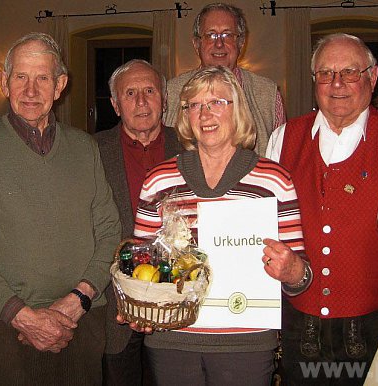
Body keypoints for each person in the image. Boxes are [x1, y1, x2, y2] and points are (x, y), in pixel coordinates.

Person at [0, 32, 121, 385]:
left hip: (82, 323)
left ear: (60, 85)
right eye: (20, 77)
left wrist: (77, 300)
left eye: (42, 78)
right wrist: (22, 316)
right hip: (4, 327)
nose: (31, 90)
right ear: (3, 82)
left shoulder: (84, 148)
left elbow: (109, 232)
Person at [129, 66, 310, 386]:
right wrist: (139, 304)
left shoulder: (274, 180)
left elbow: (301, 276)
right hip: (172, 340)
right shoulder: (158, 180)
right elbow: (140, 262)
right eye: (194, 105)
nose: (204, 113)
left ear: (238, 109)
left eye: (216, 102)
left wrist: (291, 268)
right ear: (184, 116)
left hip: (246, 342)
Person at [266, 33, 378, 385]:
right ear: (314, 81)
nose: (336, 84)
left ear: (373, 77)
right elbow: (266, 225)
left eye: (350, 72)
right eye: (325, 73)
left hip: (374, 327)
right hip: (299, 324)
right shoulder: (282, 139)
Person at [95, 59, 182, 386]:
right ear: (116, 105)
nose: (142, 101)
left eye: (149, 91)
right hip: (114, 305)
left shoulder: (192, 146)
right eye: (130, 93)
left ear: (164, 99)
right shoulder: (92, 150)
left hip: (178, 300)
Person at [163, 2, 286, 157]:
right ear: (197, 44)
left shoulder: (268, 94)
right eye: (211, 35)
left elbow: (282, 155)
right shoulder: (171, 93)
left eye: (227, 35)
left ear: (241, 43)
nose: (219, 44)